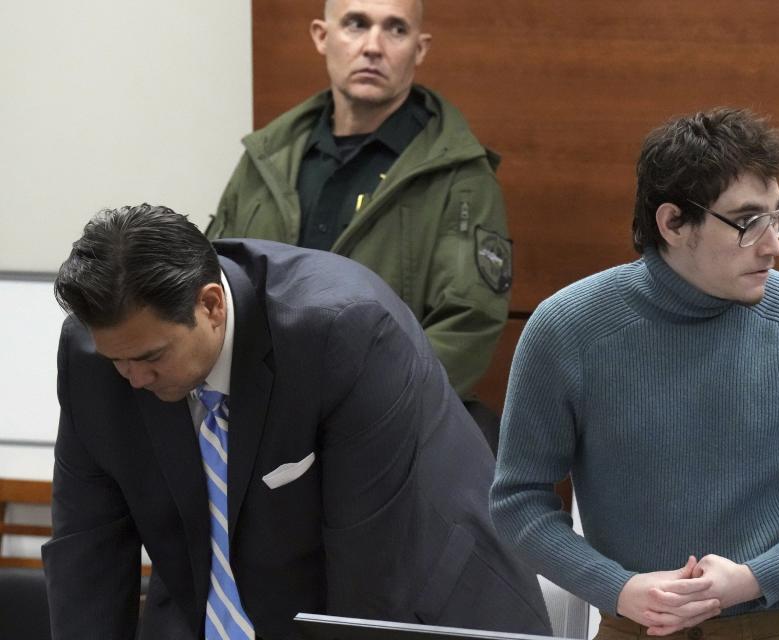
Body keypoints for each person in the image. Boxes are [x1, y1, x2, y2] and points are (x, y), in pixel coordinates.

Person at [490, 108, 779, 639]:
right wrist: (615, 587)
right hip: (634, 627)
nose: (773, 243)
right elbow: (517, 500)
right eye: (748, 221)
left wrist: (752, 579)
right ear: (672, 222)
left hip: (776, 625)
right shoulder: (568, 328)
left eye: (778, 217)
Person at [44, 204, 550, 640]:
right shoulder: (95, 356)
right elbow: (86, 548)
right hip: (225, 608)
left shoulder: (341, 332)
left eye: (151, 356)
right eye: (118, 360)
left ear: (211, 305)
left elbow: (370, 577)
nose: (132, 378)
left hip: (420, 605)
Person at [205, 0, 512, 411]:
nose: (373, 46)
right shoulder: (267, 158)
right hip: (256, 417)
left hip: (381, 426)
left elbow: (467, 327)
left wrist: (362, 410)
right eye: (356, 24)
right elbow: (212, 281)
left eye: (396, 30)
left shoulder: (459, 175)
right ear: (321, 35)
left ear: (419, 49)